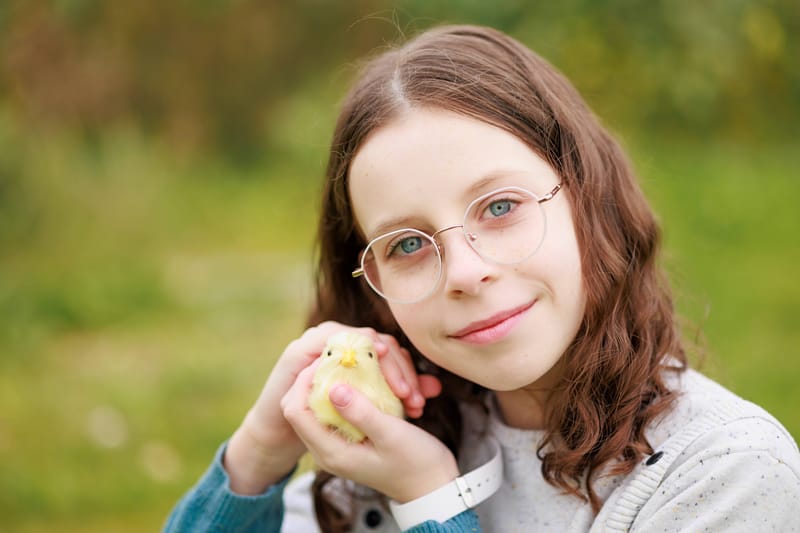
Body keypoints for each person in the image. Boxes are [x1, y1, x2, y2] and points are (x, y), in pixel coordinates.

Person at [163, 24, 800, 532]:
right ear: (371, 286)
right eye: (408, 244)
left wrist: (431, 505)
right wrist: (257, 456)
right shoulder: (381, 449)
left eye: (500, 207)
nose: (465, 272)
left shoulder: (727, 473)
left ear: (587, 198)